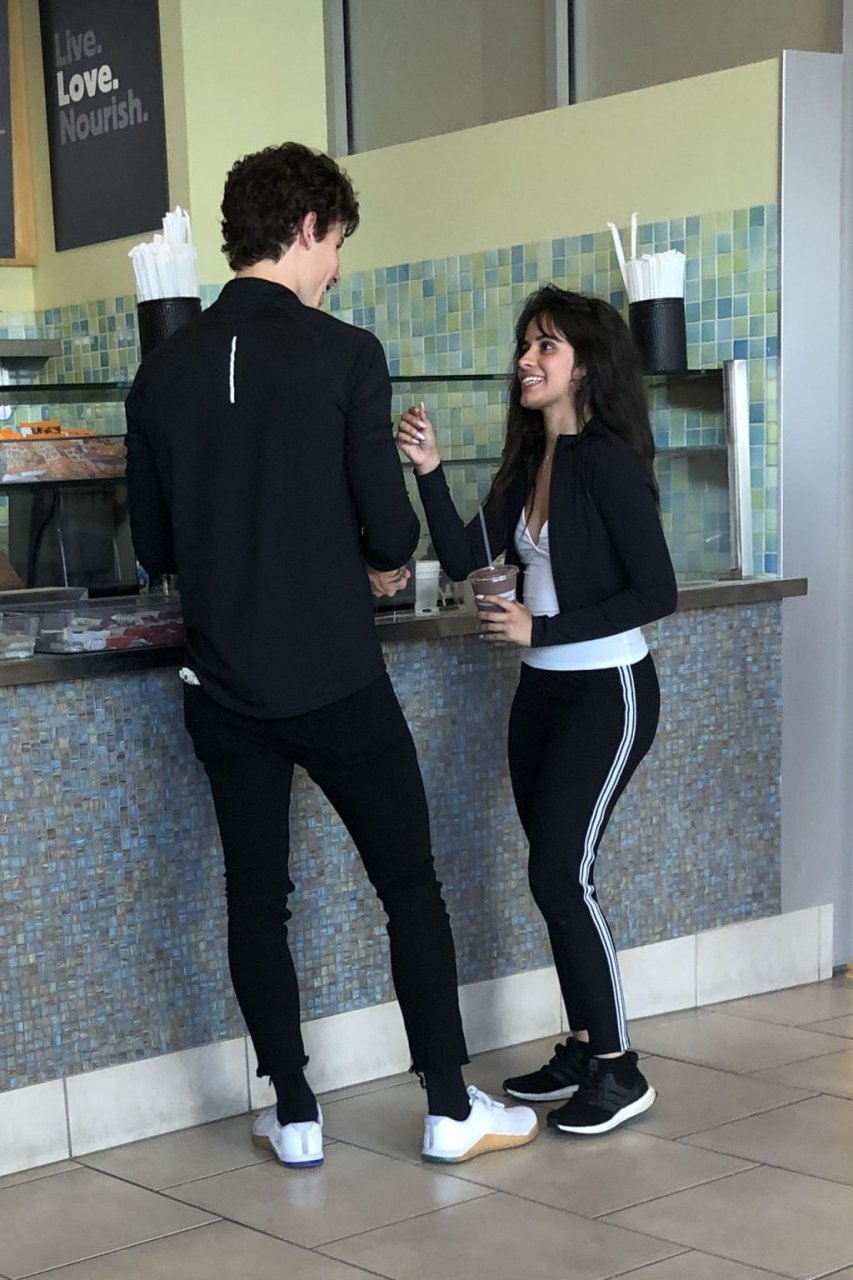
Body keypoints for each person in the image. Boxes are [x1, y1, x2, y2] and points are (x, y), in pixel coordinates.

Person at [124, 142, 537, 1169]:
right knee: (408, 884)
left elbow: (156, 546)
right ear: (307, 226)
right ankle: (447, 1105)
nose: (337, 268)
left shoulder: (161, 371)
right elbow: (393, 535)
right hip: (338, 677)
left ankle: (297, 1112)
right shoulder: (345, 353)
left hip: (225, 687)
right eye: (337, 243)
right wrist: (363, 556)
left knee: (256, 900)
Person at [397, 284, 677, 1136]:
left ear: (583, 367)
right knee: (551, 876)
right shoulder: (529, 462)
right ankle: (585, 1046)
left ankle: (619, 1068)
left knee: (560, 874)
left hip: (607, 691)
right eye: (525, 344)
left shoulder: (608, 462)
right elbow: (460, 558)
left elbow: (655, 592)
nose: (526, 359)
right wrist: (430, 470)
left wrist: (539, 625)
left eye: (545, 346)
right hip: (542, 692)